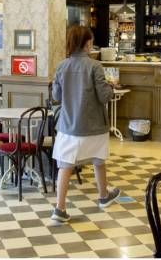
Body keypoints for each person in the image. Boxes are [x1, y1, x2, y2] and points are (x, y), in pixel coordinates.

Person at [50, 25, 120, 223]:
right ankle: (104, 196)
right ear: (87, 43)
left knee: (65, 166)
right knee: (98, 160)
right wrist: (111, 86)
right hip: (94, 125)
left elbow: (56, 96)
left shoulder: (62, 66)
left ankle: (60, 208)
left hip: (68, 125)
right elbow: (104, 96)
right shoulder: (95, 66)